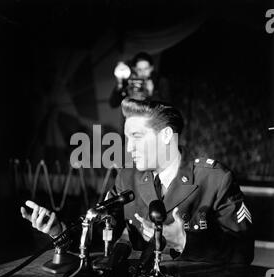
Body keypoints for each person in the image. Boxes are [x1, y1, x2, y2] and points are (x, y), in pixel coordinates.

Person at [21, 98, 254, 264]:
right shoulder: (127, 177)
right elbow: (100, 236)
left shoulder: (215, 178)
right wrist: (58, 230)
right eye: (127, 138)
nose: (129, 147)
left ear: (165, 136)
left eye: (137, 137)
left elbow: (243, 252)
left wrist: (184, 240)